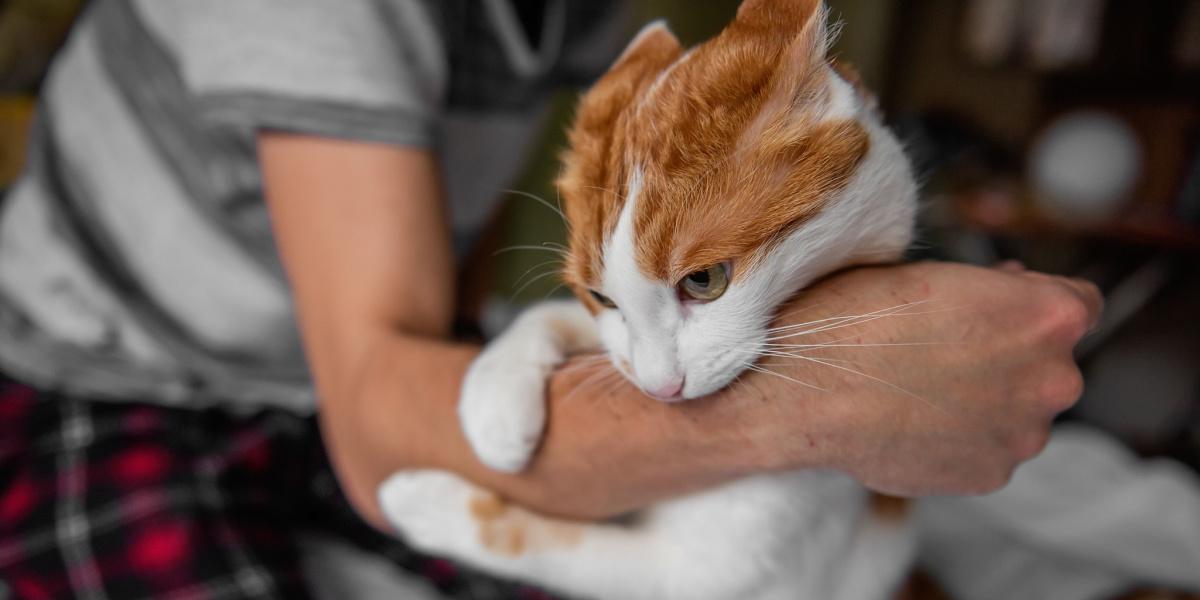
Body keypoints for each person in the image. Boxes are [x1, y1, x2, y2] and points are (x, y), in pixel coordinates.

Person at [0, 0, 1101, 598]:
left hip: (313, 363)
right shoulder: (319, 16)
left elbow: (450, 239)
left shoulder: (575, 22)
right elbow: (378, 427)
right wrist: (841, 396)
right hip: (101, 374)